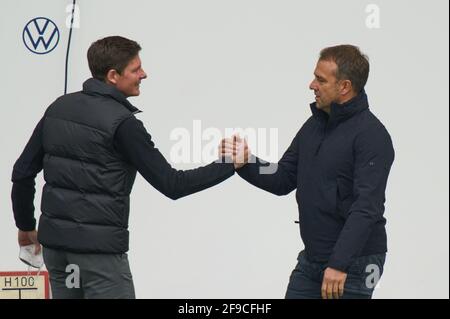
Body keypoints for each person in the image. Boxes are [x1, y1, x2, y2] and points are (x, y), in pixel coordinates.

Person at [11, 36, 238, 299]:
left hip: (59, 255)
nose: (144, 74)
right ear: (113, 76)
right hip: (100, 260)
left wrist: (26, 227)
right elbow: (172, 184)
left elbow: (22, 172)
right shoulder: (123, 124)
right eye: (136, 69)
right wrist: (230, 164)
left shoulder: (58, 108)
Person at [221, 45, 395, 299]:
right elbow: (283, 176)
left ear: (344, 86)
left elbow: (366, 208)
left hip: (356, 263)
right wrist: (247, 161)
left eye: (321, 80)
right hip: (313, 260)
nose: (311, 85)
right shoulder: (314, 126)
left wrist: (338, 264)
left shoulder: (372, 136)